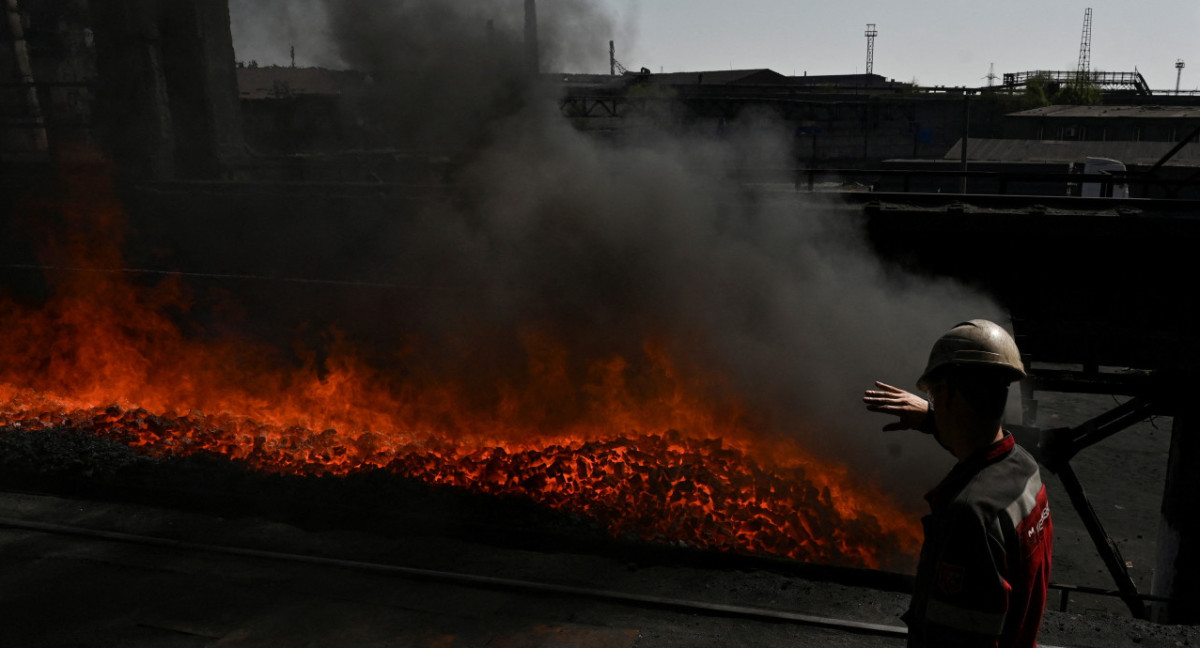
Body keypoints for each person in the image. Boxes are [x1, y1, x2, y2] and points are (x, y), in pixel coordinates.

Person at [864, 319, 1053, 648]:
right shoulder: (1024, 467)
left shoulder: (968, 515)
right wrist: (929, 418)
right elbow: (977, 448)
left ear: (948, 392)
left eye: (936, 394)